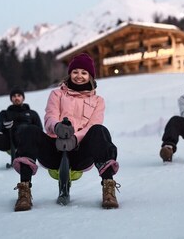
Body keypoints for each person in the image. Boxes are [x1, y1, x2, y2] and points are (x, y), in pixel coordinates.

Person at [11, 53, 120, 211]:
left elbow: (93, 124)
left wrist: (75, 138)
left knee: (100, 131)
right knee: (29, 131)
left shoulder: (98, 101)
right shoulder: (57, 94)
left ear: (90, 76)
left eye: (84, 73)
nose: (79, 76)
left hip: (79, 153)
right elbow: (50, 117)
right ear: (70, 74)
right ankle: (24, 190)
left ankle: (108, 188)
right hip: (54, 148)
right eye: (75, 72)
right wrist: (58, 128)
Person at [0, 88, 42, 172]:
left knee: (25, 128)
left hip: (26, 141)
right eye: (14, 96)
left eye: (19, 96)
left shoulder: (32, 113)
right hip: (8, 140)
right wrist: (4, 125)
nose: (16, 98)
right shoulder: (4, 113)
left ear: (23, 98)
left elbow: (39, 130)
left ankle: (32, 161)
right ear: (11, 99)